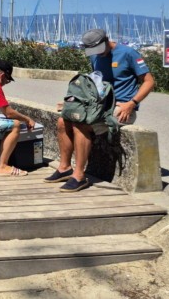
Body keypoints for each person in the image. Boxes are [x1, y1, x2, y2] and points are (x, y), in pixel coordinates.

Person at [47, 28, 155, 192]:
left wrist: (132, 103)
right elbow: (95, 85)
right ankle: (64, 168)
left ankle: (79, 176)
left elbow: (149, 81)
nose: (96, 53)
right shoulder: (94, 56)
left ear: (106, 40)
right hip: (99, 106)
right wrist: (75, 104)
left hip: (122, 107)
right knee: (63, 120)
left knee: (81, 124)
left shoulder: (128, 53)